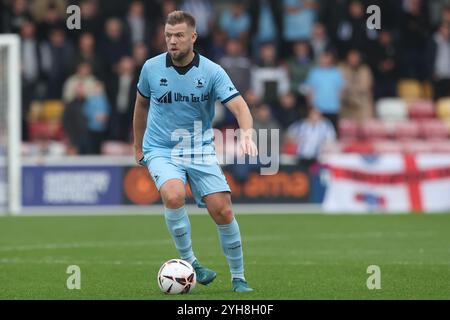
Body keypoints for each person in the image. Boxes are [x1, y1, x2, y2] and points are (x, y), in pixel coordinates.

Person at [133, 11, 258, 293]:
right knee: (174, 195)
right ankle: (192, 264)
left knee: (223, 210)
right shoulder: (151, 68)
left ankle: (238, 277)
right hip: (161, 148)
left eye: (178, 35)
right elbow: (140, 106)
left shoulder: (212, 71)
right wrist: (138, 145)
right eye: (168, 35)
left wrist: (247, 134)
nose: (172, 41)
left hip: (199, 149)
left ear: (193, 37)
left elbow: (240, 106)